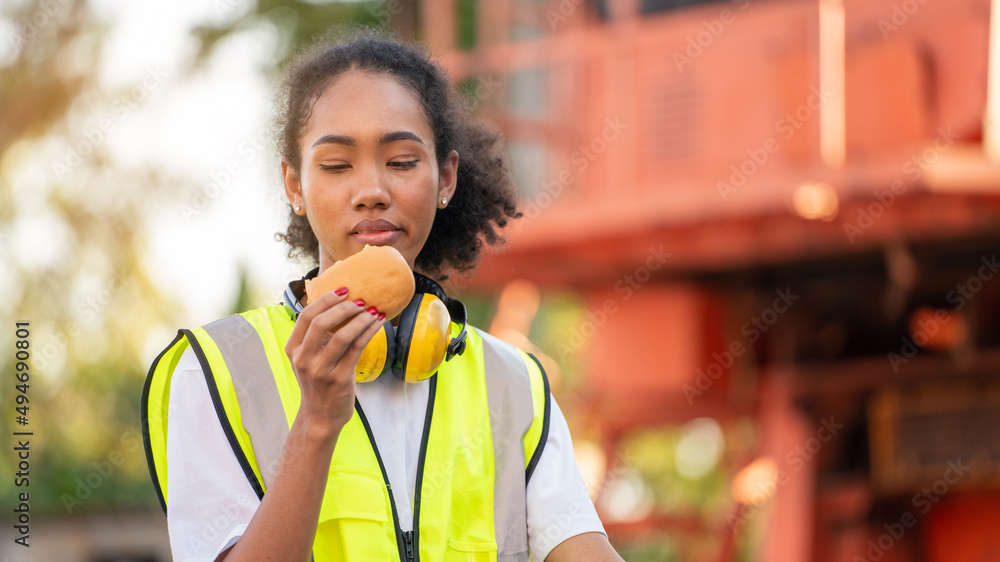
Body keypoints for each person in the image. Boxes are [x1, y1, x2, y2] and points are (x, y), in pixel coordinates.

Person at [142, 28, 623, 562]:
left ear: (446, 179)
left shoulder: (515, 384)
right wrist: (318, 421)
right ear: (294, 186)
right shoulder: (214, 369)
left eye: (401, 162)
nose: (371, 191)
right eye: (335, 165)